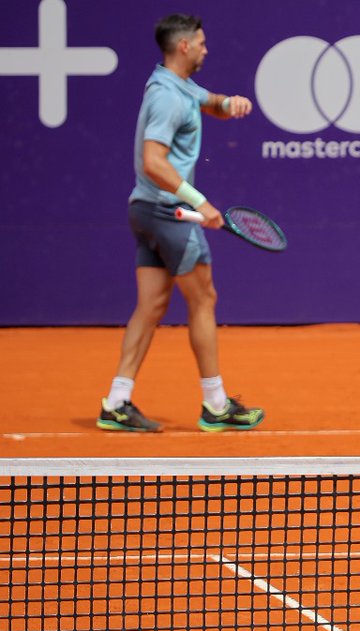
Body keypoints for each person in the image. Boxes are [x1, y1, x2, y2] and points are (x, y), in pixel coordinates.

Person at [97, 14, 264, 433]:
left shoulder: (174, 84)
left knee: (151, 306)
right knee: (203, 299)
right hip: (171, 213)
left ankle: (116, 402)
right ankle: (216, 404)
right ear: (184, 46)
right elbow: (154, 162)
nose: (207, 49)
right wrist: (200, 202)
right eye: (202, 43)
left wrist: (230, 104)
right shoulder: (168, 98)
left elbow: (208, 102)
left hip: (144, 211)